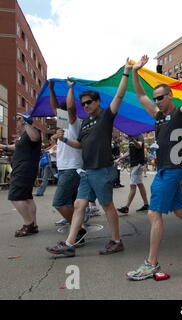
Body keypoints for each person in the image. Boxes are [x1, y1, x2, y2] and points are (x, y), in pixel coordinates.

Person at [126, 56, 182, 281]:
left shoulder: (180, 114)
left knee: (154, 213)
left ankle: (151, 264)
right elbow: (140, 95)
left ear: (170, 96)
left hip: (172, 169)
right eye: (156, 98)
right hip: (167, 169)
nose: (157, 101)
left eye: (161, 97)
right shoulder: (157, 116)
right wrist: (135, 72)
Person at [46, 58, 132, 257]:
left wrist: (126, 72)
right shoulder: (84, 123)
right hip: (87, 171)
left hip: (102, 169)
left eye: (89, 102)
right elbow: (80, 145)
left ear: (97, 102)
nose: (85, 106)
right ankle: (69, 244)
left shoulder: (106, 116)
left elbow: (119, 95)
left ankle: (117, 240)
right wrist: (65, 140)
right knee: (78, 204)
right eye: (83, 103)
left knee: (107, 206)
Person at [45, 78, 87, 244]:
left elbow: (69, 107)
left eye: (59, 114)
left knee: (60, 202)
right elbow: (56, 107)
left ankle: (79, 230)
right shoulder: (63, 123)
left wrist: (71, 88)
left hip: (72, 169)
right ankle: (78, 231)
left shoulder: (75, 123)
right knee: (70, 203)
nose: (57, 116)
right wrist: (51, 89)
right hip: (65, 169)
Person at [1, 113, 42, 237]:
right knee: (27, 198)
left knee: (15, 196)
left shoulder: (33, 131)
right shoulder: (23, 136)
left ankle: (28, 224)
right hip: (22, 168)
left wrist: (25, 122)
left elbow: (35, 138)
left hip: (25, 168)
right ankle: (33, 224)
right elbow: (17, 146)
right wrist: (5, 146)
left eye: (19, 119)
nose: (17, 122)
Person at [116, 134, 150, 214]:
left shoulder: (139, 136)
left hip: (137, 164)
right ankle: (146, 205)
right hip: (134, 164)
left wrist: (133, 140)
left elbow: (139, 146)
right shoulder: (131, 138)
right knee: (140, 184)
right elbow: (129, 152)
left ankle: (126, 207)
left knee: (133, 185)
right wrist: (119, 158)